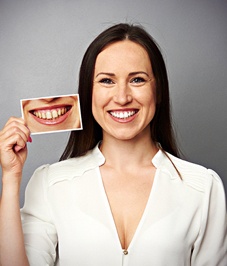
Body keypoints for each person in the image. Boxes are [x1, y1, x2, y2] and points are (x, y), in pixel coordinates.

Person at [0, 23, 226, 266]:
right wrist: (11, 179)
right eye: (107, 81)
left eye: (137, 80)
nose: (122, 97)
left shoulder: (202, 187)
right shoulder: (50, 183)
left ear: (158, 90)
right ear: (89, 93)